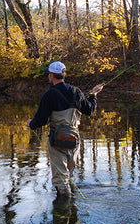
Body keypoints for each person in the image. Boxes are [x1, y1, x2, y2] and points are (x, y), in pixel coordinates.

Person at [27, 61, 103, 199]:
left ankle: (63, 210)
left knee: (60, 178)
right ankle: (72, 211)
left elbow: (40, 121)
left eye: (48, 74)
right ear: (63, 74)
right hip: (74, 139)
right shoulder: (76, 91)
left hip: (56, 140)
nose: (48, 76)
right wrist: (94, 94)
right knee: (70, 173)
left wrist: (30, 123)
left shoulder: (48, 95)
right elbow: (89, 110)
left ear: (51, 75)